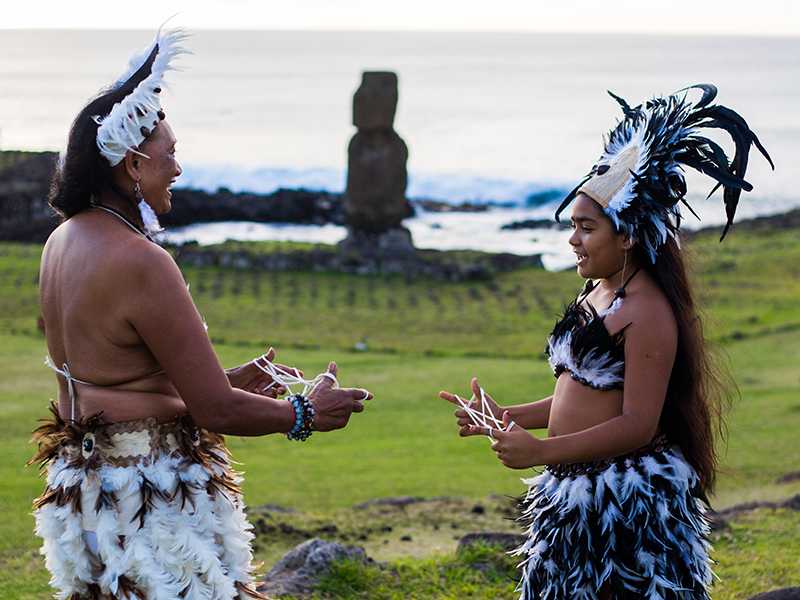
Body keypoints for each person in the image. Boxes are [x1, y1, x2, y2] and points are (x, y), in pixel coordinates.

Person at [30, 26, 371, 600]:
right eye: (170, 155)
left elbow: (118, 371)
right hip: (149, 496)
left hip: (83, 487)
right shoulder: (142, 260)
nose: (179, 171)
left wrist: (227, 379)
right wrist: (306, 412)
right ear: (132, 165)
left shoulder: (62, 240)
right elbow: (215, 410)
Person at [440, 85, 772, 600]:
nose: (573, 239)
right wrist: (509, 414)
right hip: (571, 498)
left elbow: (636, 424)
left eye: (585, 228)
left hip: (625, 503)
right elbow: (585, 394)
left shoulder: (649, 313)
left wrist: (540, 450)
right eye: (573, 226)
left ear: (627, 236)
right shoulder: (598, 292)